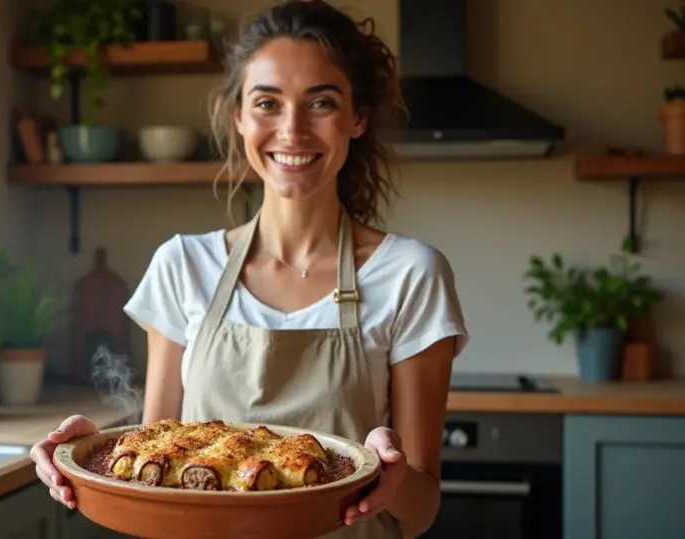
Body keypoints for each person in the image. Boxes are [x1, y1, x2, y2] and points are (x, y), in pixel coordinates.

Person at [30, 1, 468, 537]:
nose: (292, 129)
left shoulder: (411, 274)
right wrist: (93, 454)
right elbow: (156, 472)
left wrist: (393, 474)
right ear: (238, 117)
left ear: (357, 118)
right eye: (267, 102)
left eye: (321, 102)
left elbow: (420, 512)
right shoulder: (183, 265)